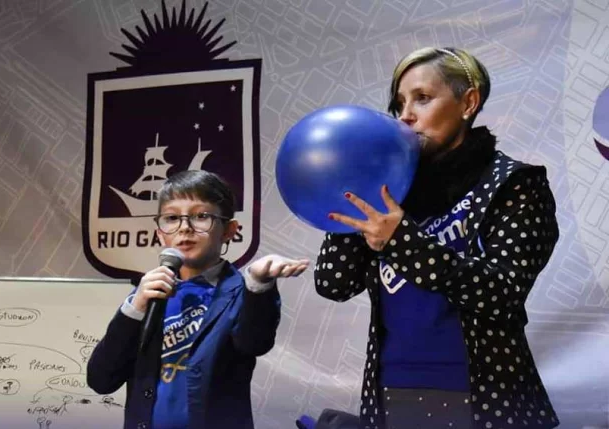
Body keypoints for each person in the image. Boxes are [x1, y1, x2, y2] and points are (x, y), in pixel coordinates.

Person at [313, 47, 560, 429]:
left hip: (487, 397)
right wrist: (355, 182)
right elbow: (333, 283)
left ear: (468, 102)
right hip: (392, 392)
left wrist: (401, 242)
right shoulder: (393, 187)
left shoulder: (514, 183)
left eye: (422, 98)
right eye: (399, 104)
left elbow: (502, 293)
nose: (406, 115)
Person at [87, 169, 310, 429]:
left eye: (201, 216)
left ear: (229, 230)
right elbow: (101, 380)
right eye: (172, 218)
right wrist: (134, 309)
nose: (185, 228)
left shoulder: (242, 291)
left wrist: (259, 283)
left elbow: (254, 342)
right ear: (160, 233)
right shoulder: (149, 294)